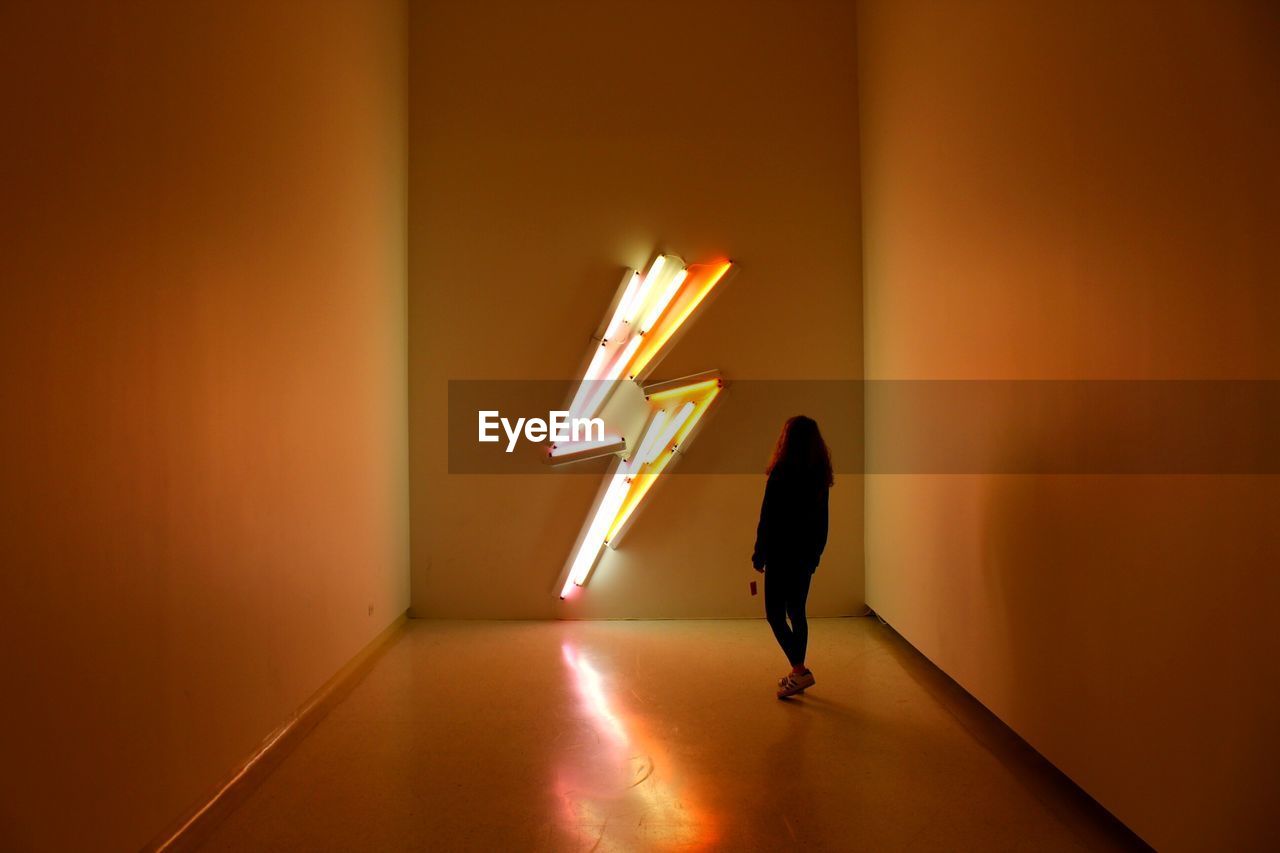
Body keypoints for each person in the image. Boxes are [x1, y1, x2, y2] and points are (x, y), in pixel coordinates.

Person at [752, 415, 832, 698]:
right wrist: (815, 555)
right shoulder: (819, 474)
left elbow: (768, 518)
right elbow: (823, 521)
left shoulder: (781, 471)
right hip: (804, 556)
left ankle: (799, 671)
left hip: (779, 553)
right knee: (797, 612)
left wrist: (759, 555)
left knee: (774, 614)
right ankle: (798, 671)